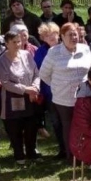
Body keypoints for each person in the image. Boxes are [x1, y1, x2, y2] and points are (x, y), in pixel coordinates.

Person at [39, 23, 91, 162]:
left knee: (84, 125)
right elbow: (44, 74)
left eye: (75, 34)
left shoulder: (85, 49)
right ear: (62, 37)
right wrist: (57, 86)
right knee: (69, 127)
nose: (73, 37)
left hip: (83, 96)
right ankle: (72, 157)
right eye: (69, 35)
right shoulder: (54, 52)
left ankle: (85, 154)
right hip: (63, 98)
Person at [0, 31, 42, 164]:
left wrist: (35, 87)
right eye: (14, 42)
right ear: (6, 44)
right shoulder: (2, 61)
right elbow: (5, 83)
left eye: (19, 41)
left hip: (30, 97)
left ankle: (31, 151)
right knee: (15, 128)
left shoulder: (27, 54)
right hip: (12, 100)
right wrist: (26, 89)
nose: (18, 44)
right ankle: (19, 155)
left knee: (31, 126)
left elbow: (36, 73)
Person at [35, 22, 61, 153]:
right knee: (55, 121)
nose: (51, 36)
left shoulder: (65, 47)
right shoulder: (40, 52)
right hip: (49, 92)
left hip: (66, 91)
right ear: (43, 38)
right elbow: (40, 69)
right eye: (47, 35)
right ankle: (62, 148)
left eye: (54, 33)